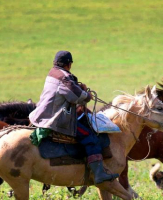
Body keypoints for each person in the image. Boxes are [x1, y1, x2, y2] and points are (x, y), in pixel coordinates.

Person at [29, 50, 118, 184]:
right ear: (69, 64)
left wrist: (78, 87)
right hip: (57, 119)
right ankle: (99, 174)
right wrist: (87, 95)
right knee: (90, 137)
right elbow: (78, 97)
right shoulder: (64, 77)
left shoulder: (53, 73)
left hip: (43, 114)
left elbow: (68, 91)